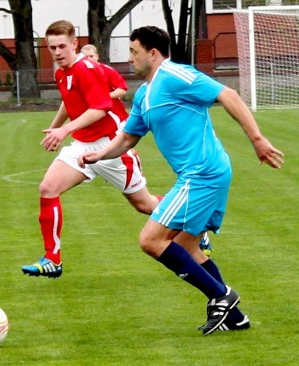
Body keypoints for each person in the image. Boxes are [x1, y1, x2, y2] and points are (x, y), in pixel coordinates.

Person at [79, 26, 284, 335]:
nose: (129, 58)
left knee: (151, 240)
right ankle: (235, 317)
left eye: (134, 52)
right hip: (201, 174)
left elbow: (226, 94)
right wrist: (99, 155)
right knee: (186, 247)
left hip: (202, 173)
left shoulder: (175, 75)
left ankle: (221, 295)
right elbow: (128, 138)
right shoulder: (145, 95)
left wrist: (257, 139)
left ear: (153, 53)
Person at [21, 21, 210, 279]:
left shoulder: (86, 69)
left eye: (62, 46)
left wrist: (63, 131)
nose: (56, 52)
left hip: (111, 146)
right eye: (51, 47)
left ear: (74, 43)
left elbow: (99, 108)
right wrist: (54, 128)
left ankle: (196, 224)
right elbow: (69, 102)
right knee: (48, 188)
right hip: (82, 146)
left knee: (144, 204)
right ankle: (53, 260)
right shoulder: (61, 73)